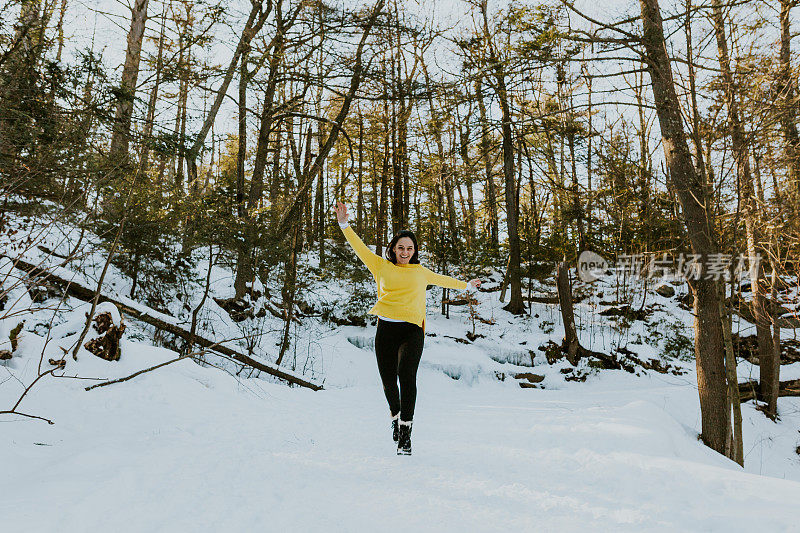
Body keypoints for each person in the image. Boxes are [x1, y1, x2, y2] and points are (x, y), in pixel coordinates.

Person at [334, 201, 481, 455]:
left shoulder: (420, 272)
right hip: (386, 330)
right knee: (388, 381)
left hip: (412, 330)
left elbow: (444, 280)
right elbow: (358, 247)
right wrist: (344, 224)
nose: (405, 251)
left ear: (414, 251)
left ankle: (405, 432)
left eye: (410, 248)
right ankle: (395, 415)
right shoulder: (380, 265)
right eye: (401, 247)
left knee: (407, 376)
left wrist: (467, 286)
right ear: (393, 248)